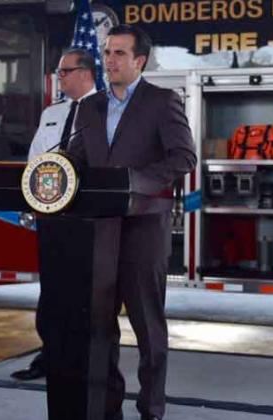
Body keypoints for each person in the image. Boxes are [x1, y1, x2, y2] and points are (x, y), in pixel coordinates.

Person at [67, 25, 197, 420]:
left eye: (120, 53)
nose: (110, 60)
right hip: (99, 233)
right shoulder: (90, 107)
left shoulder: (162, 102)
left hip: (143, 231)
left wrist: (135, 184)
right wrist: (52, 175)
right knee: (100, 328)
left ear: (139, 61)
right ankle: (109, 408)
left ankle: (151, 410)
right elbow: (76, 158)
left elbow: (183, 158)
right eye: (107, 52)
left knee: (148, 330)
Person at [10, 48, 97, 380]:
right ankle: (50, 356)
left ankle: (83, 361)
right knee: (52, 293)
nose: (58, 78)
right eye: (59, 72)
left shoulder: (106, 111)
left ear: (85, 73)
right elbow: (35, 159)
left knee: (84, 294)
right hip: (51, 217)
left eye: (64, 72)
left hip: (86, 219)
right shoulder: (52, 112)